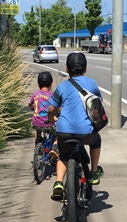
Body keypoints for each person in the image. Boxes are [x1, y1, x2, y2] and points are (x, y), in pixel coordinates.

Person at [48, 52, 104, 200]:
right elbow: (97, 103)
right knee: (96, 141)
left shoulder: (62, 87)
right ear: (85, 68)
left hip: (64, 130)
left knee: (63, 154)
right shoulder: (91, 84)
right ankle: (92, 172)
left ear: (67, 68)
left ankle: (59, 183)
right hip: (86, 131)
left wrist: (50, 119)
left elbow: (52, 109)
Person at [29, 71, 58, 159]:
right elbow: (57, 107)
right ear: (51, 84)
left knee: (37, 129)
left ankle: (37, 143)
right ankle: (54, 148)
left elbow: (30, 104)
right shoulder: (52, 96)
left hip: (37, 122)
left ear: (38, 84)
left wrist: (33, 107)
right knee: (58, 132)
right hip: (48, 123)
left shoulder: (35, 94)